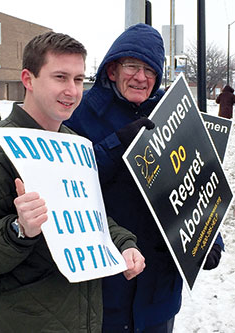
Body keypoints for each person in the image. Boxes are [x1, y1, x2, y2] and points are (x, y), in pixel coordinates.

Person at [64, 23, 225, 332]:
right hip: (105, 282)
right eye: (132, 66)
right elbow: (70, 182)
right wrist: (116, 145)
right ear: (111, 70)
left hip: (158, 287)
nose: (141, 77)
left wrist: (209, 238)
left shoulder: (175, 112)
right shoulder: (80, 114)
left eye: (150, 70)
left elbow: (199, 178)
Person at [0, 31, 146, 333]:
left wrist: (122, 243)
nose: (72, 90)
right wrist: (18, 229)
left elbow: (87, 215)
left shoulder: (76, 144)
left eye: (78, 79)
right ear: (28, 79)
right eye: (60, 77)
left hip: (81, 319)